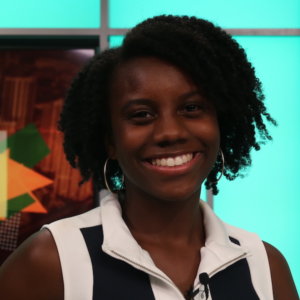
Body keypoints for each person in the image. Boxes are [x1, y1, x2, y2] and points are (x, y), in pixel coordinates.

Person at [0, 15, 298, 300]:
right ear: (110, 141)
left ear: (222, 122)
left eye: (192, 108)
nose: (170, 132)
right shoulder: (52, 260)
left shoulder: (265, 266)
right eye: (141, 115)